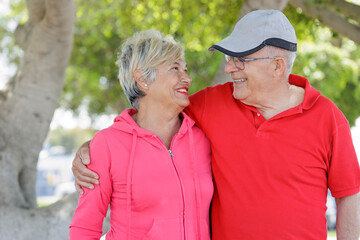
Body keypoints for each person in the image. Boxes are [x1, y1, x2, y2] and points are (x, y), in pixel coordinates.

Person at [72, 10, 360, 239]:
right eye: (228, 58)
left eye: (241, 59)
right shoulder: (211, 104)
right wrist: (92, 150)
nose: (229, 67)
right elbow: (150, 113)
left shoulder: (329, 118)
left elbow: (349, 197)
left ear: (277, 67)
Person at [69, 29, 213, 240]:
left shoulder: (202, 138)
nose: (187, 78)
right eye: (175, 68)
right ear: (143, 79)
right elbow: (85, 228)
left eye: (185, 69)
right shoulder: (107, 145)